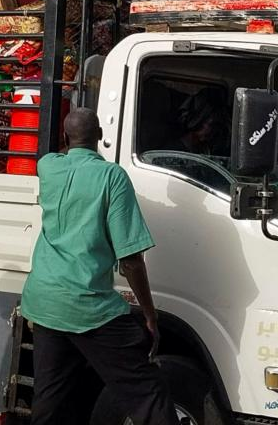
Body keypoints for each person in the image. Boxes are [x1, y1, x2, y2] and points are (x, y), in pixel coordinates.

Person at [21, 108, 178, 425]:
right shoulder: (112, 177)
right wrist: (149, 314)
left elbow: (59, 155)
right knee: (147, 392)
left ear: (65, 137)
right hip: (88, 306)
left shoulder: (48, 167)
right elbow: (131, 259)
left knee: (50, 402)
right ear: (100, 137)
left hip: (44, 301)